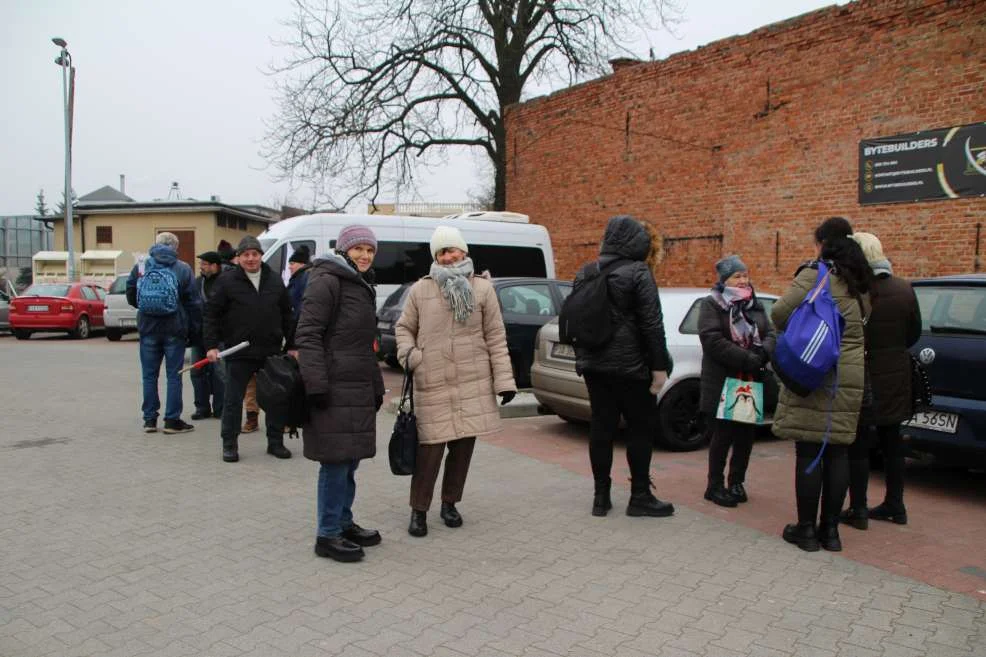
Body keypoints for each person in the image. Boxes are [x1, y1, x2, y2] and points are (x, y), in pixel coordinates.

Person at [395, 225, 517, 538]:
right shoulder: (421, 290)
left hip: (471, 381)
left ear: (464, 251)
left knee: (462, 450)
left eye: (453, 250)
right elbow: (404, 328)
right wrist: (411, 356)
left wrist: (504, 381)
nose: (449, 257)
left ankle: (450, 503)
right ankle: (418, 510)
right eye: (442, 252)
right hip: (432, 379)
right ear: (436, 257)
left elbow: (496, 336)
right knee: (430, 451)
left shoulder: (483, 288)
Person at [772, 216, 870, 552]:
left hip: (816, 370)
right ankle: (831, 532)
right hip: (850, 374)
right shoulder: (860, 279)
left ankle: (806, 531)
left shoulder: (816, 274)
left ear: (822, 243)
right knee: (838, 451)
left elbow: (779, 314)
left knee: (809, 450)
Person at [574, 215, 674, 519]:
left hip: (594, 367)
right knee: (640, 431)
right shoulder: (639, 272)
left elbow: (576, 319)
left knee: (601, 428)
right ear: (637, 243)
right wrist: (659, 368)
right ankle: (640, 496)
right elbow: (652, 326)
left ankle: (600, 498)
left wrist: (584, 359)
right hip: (633, 369)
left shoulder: (586, 271)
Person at [296, 225, 385, 562]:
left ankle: (344, 522)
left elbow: (363, 345)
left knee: (350, 460)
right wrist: (316, 385)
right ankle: (327, 534)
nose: (364, 255)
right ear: (344, 249)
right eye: (358, 249)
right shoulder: (327, 279)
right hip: (333, 386)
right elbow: (308, 334)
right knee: (334, 461)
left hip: (356, 385)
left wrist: (376, 385)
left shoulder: (360, 284)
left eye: (370, 250)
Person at [840, 232, 921, 529]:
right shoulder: (904, 288)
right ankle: (895, 505)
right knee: (892, 441)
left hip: (864, 372)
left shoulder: (856, 291)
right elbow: (914, 333)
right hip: (897, 374)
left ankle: (858, 509)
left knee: (859, 444)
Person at [203, 235, 295, 463]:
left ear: (261, 256)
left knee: (275, 398)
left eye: (255, 254)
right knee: (233, 400)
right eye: (246, 254)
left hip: (271, 351)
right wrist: (211, 346)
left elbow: (287, 314)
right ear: (239, 257)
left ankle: (275, 442)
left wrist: (292, 345)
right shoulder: (226, 281)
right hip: (238, 351)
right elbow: (211, 315)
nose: (251, 258)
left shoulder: (274, 281)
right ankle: (229, 444)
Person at [699, 255, 776, 507]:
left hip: (750, 379)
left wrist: (763, 351)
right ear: (724, 280)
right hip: (724, 379)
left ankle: (736, 482)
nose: (743, 280)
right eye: (737, 276)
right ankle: (714, 485)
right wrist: (747, 358)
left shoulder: (754, 304)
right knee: (722, 435)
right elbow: (712, 340)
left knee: (745, 436)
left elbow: (771, 333)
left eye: (745, 275)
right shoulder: (712, 304)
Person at [126, 231, 201, 434]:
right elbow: (193, 302)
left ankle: (150, 420)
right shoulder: (183, 268)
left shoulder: (141, 266)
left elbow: (131, 294)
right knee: (174, 376)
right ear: (175, 248)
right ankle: (172, 420)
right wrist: (194, 330)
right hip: (174, 329)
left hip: (148, 328)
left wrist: (146, 308)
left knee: (149, 376)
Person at [189, 251, 226, 421]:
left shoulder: (225, 283)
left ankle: (220, 408)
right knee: (197, 372)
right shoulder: (197, 283)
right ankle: (202, 407)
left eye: (204, 264)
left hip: (219, 336)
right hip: (198, 335)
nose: (201, 267)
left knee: (219, 373)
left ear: (214, 266)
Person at [287, 245, 312, 335]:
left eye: (292, 263)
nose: (289, 267)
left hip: (300, 328)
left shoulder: (305, 277)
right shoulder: (298, 276)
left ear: (302, 264)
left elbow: (304, 305)